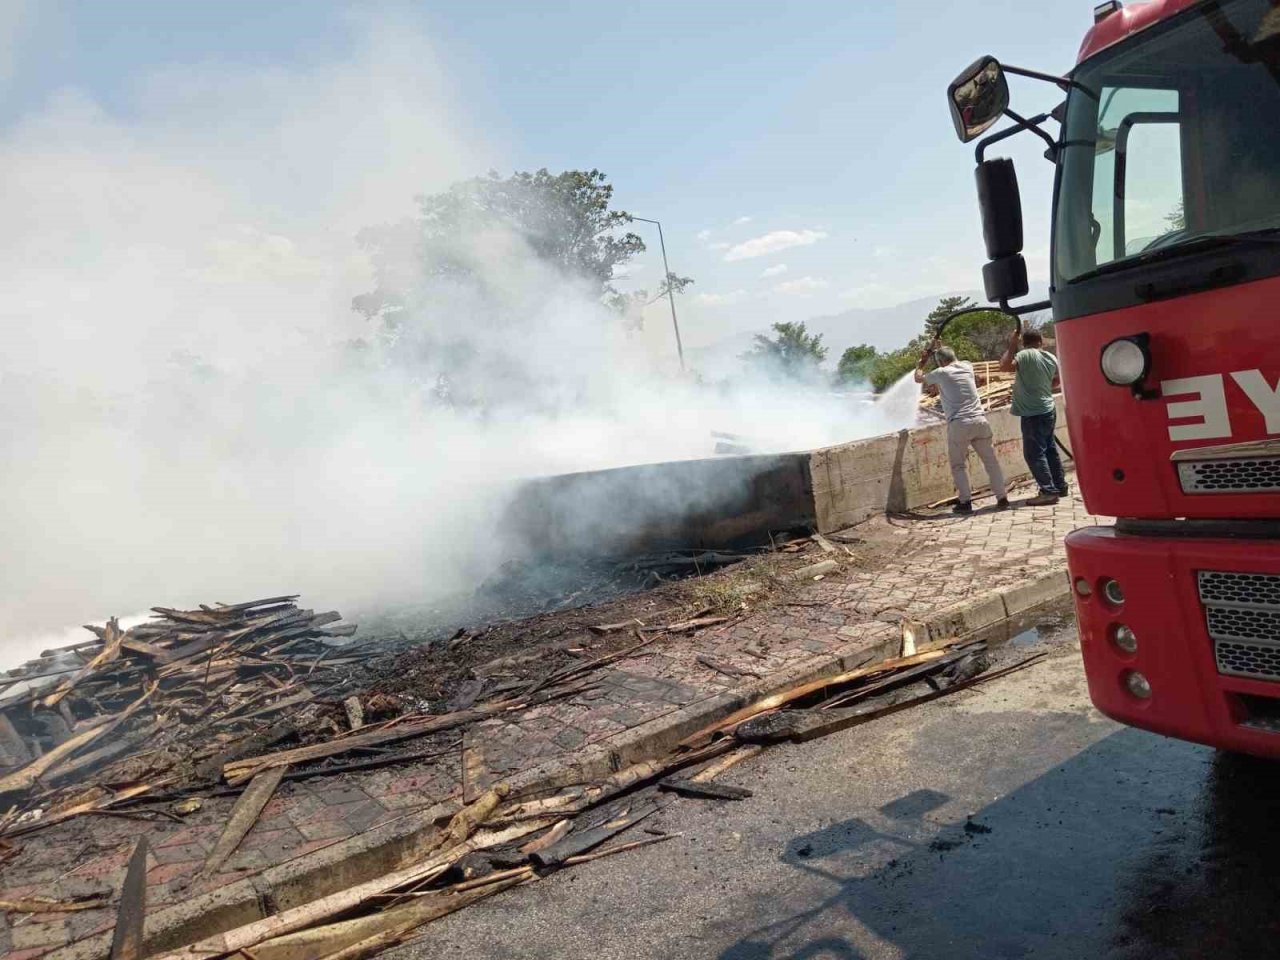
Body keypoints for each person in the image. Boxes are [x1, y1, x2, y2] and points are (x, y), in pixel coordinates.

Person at [915, 342, 1009, 515]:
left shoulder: (942, 372)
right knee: (991, 462)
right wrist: (940, 349)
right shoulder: (967, 366)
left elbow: (918, 378)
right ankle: (1002, 498)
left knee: (958, 465)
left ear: (941, 362)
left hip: (960, 424)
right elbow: (948, 357)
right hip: (980, 421)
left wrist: (922, 361)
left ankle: (965, 502)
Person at [1001, 328, 1065, 506]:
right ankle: (1060, 486)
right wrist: (1041, 388)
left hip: (1033, 413)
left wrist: (1012, 344)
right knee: (1049, 449)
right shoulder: (1050, 357)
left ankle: (1048, 492)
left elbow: (1004, 366)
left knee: (1034, 454)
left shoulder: (1025, 355)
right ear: (1041, 341)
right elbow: (1057, 381)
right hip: (1048, 409)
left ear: (1024, 342)